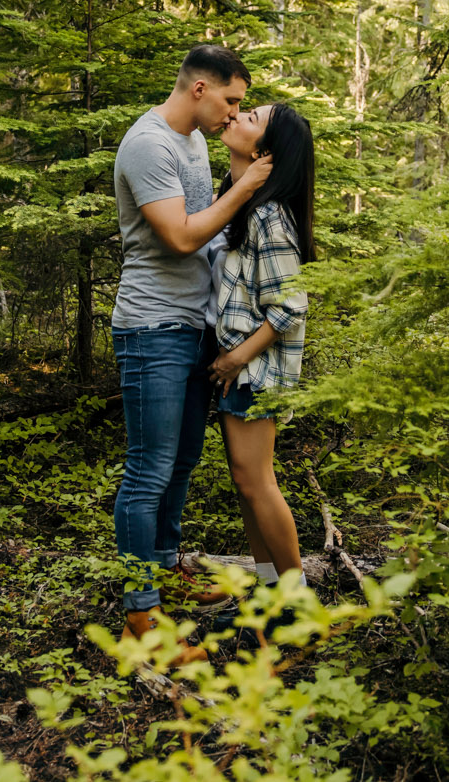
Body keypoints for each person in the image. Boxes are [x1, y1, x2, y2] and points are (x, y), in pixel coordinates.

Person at [111, 44, 273, 656]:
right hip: (151, 328)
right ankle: (141, 619)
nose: (234, 114)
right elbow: (180, 236)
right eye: (231, 100)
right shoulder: (149, 143)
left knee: (180, 463)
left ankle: (165, 569)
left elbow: (209, 228)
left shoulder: (197, 141)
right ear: (200, 88)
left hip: (192, 325)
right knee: (148, 469)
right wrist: (250, 181)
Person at [209, 101, 314, 630]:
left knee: (258, 482)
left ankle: (295, 600)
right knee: (245, 481)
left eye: (250, 116)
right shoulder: (243, 204)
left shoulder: (269, 215)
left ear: (263, 151)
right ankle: (270, 591)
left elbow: (291, 304)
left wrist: (237, 357)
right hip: (241, 367)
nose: (235, 115)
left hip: (256, 370)